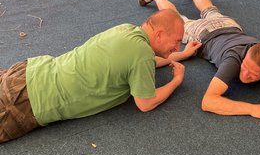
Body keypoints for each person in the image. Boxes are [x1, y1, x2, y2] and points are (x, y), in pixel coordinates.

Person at [0, 9, 201, 143]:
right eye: (176, 42)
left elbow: (144, 62)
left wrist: (182, 55)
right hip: (25, 103)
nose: (177, 47)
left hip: (29, 71)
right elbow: (145, 103)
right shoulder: (142, 56)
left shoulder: (127, 30)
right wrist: (176, 81)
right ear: (159, 35)